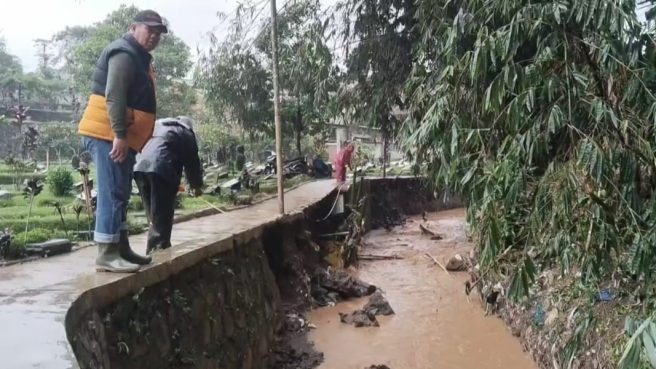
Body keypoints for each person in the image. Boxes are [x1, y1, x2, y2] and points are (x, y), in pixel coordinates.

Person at [77, 10, 168, 272]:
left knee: (121, 192)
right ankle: (106, 253)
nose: (153, 36)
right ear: (133, 27)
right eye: (148, 29)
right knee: (111, 193)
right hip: (108, 135)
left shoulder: (138, 57)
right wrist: (119, 135)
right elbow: (114, 96)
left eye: (158, 33)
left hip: (118, 136)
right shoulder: (124, 53)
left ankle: (122, 247)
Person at [134, 116, 204, 254]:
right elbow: (192, 162)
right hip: (162, 169)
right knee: (162, 213)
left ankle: (155, 248)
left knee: (152, 214)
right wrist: (196, 186)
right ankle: (159, 251)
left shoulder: (158, 125)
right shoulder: (185, 132)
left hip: (139, 167)